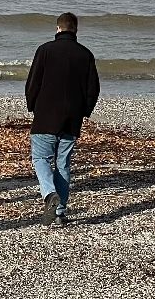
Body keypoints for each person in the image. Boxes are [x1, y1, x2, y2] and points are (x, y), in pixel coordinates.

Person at [24, 13, 100, 227]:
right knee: (63, 164)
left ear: (58, 29)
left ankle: (49, 194)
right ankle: (59, 212)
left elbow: (33, 82)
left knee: (40, 159)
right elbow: (92, 89)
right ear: (75, 30)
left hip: (46, 114)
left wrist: (32, 106)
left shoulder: (45, 50)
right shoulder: (85, 54)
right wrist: (85, 110)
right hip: (72, 117)